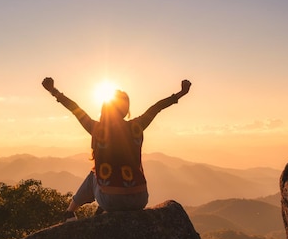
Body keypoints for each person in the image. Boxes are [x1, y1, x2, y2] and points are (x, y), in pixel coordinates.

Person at [42, 77, 192, 221]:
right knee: (101, 177)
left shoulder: (96, 128)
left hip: (111, 201)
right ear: (125, 111)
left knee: (94, 174)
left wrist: (53, 90)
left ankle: (69, 212)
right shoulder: (136, 126)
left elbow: (74, 108)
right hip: (139, 199)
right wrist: (181, 93)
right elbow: (156, 108)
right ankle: (99, 209)